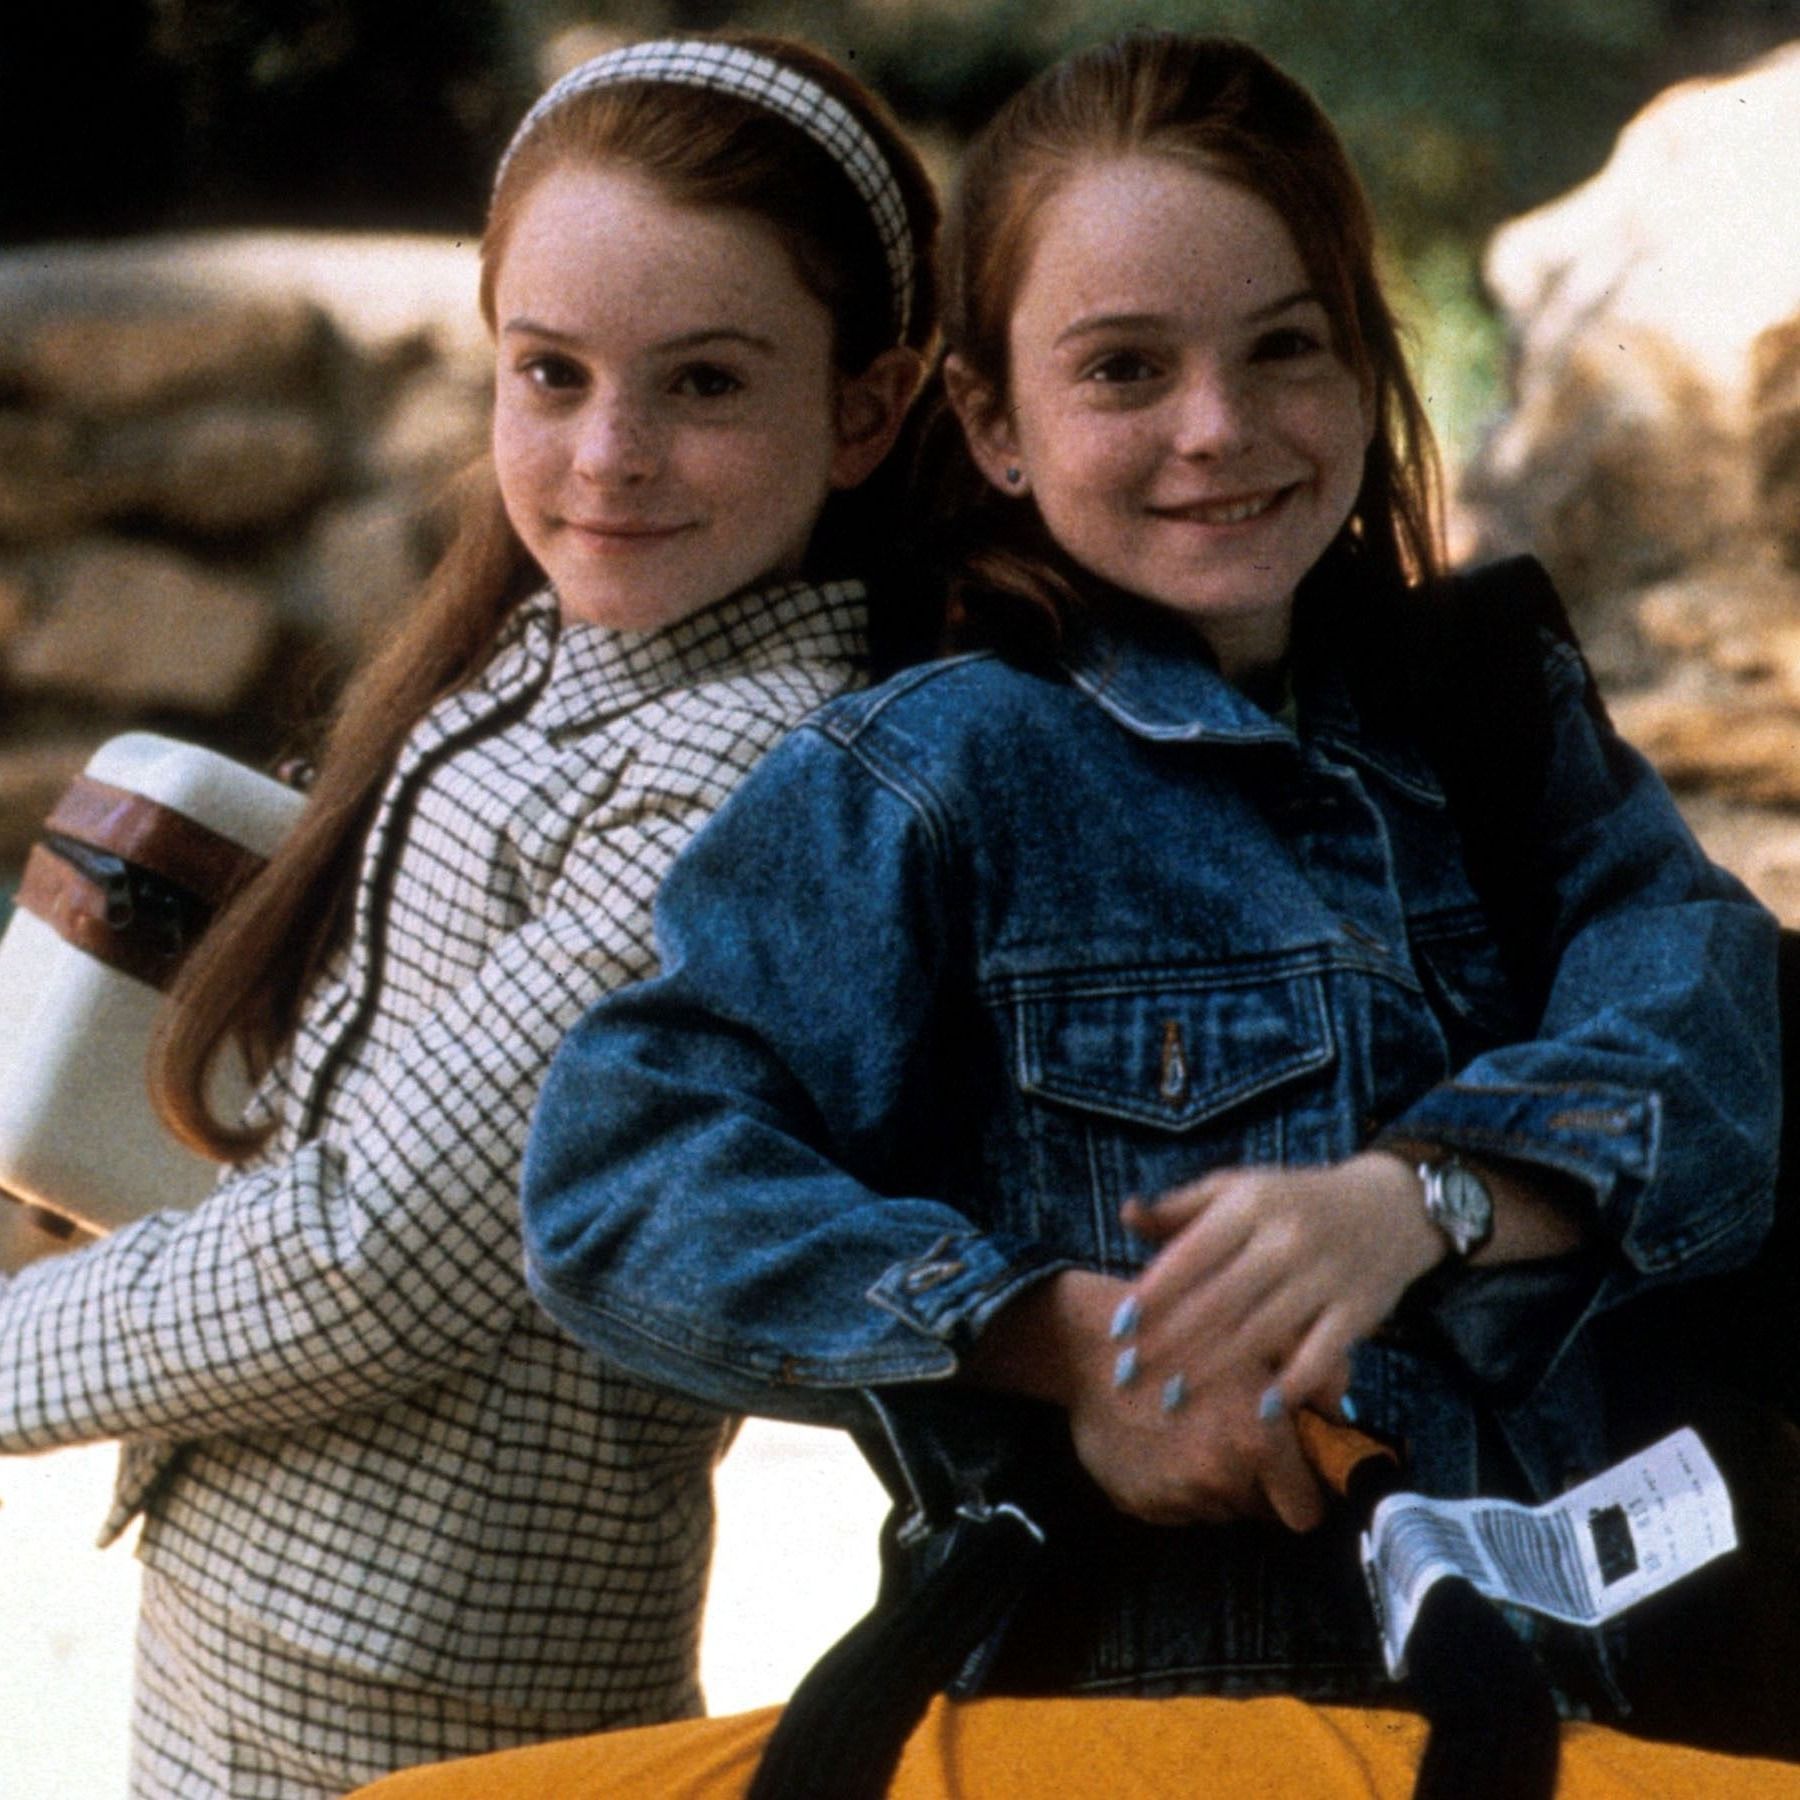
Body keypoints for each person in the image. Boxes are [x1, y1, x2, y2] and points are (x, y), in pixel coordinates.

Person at [517, 25, 1778, 1737]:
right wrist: (1063, 1343)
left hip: (1600, 1717)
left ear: (1365, 365)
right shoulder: (934, 774)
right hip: (1147, 1727)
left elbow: (1724, 1022)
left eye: (1285, 348)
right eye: (1123, 368)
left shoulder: (1493, 720)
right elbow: (622, 1174)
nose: (1219, 429)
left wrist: (1428, 1199)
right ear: (992, 418)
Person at [0, 32, 936, 1799]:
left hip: (430, 1672)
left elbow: (368, 1256)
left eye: (705, 383)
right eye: (551, 373)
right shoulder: (562, 648)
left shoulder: (740, 773)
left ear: (865, 409)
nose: (609, 454)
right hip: (269, 1594)